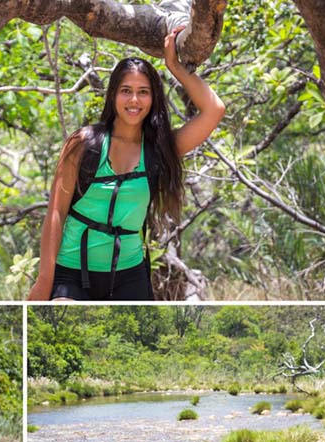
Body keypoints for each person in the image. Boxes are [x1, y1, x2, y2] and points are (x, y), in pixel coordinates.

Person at [28, 25, 225, 301]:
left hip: (129, 274)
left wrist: (174, 66)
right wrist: (43, 283)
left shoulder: (160, 151)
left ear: (154, 98)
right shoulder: (84, 144)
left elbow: (214, 110)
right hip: (72, 271)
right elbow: (56, 214)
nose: (134, 100)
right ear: (113, 95)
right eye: (126, 90)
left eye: (144, 92)